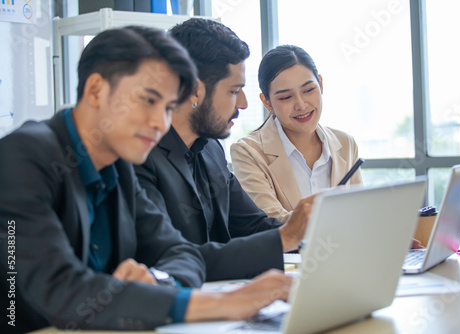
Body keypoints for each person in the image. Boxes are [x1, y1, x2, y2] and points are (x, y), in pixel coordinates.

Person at [0, 26, 292, 334]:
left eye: (167, 107)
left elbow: (182, 253)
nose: (159, 122)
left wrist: (160, 281)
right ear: (96, 90)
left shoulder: (118, 166)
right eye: (148, 100)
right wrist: (223, 303)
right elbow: (60, 288)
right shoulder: (22, 156)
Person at [134, 19, 313, 281]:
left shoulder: (210, 150)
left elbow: (253, 226)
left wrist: (313, 235)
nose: (243, 103)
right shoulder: (138, 157)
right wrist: (285, 238)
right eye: (234, 91)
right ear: (194, 90)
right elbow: (170, 258)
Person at [231, 45, 363, 223]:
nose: (301, 105)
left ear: (321, 85)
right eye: (286, 97)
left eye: (308, 90)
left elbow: (360, 212)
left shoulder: (345, 144)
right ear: (267, 102)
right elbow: (270, 223)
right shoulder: (248, 152)